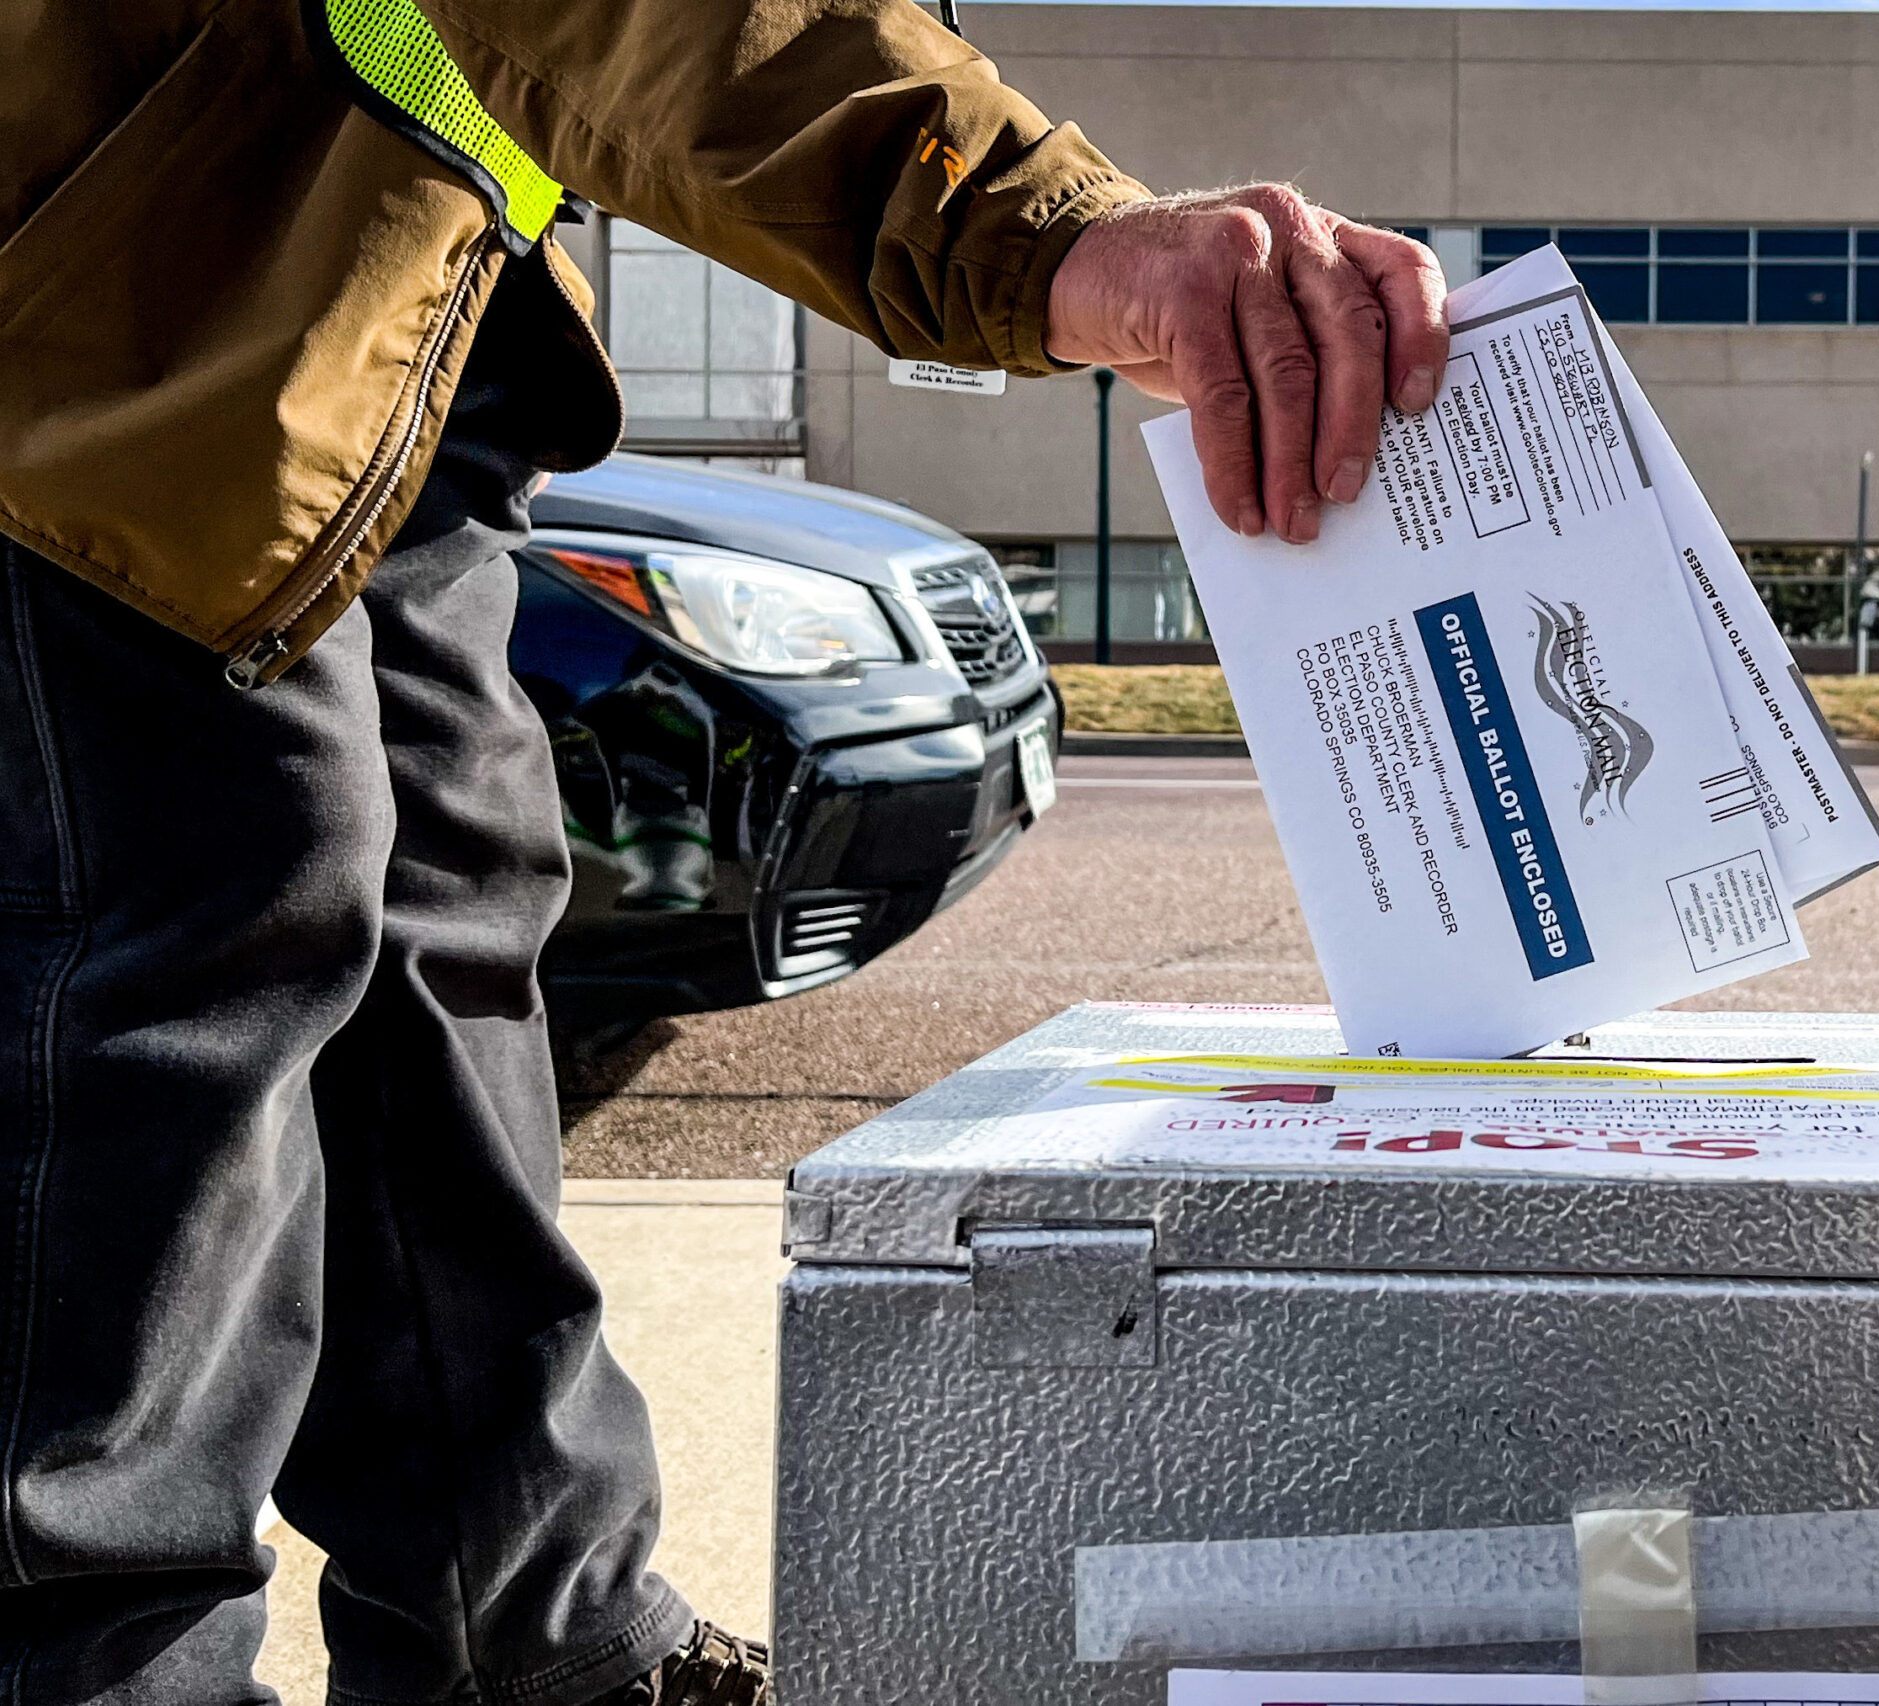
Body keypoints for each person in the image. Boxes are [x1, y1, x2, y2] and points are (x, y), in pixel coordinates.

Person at [0, 4, 1448, 1704]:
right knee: (193, 937)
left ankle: (529, 1636)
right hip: (104, 306)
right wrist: (1027, 220)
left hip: (380, 311)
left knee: (440, 936)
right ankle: (90, 1667)